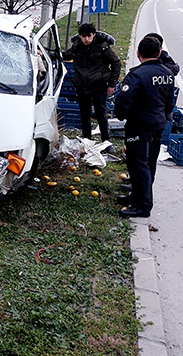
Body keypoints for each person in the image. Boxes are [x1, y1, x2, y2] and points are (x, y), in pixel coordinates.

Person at [113, 36, 175, 218]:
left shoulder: (137, 75)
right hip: (158, 124)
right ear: (160, 53)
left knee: (138, 164)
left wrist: (121, 115)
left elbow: (123, 100)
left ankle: (143, 205)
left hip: (139, 125)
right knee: (149, 162)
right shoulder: (168, 74)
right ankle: (138, 196)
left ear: (139, 54)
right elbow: (170, 102)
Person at [63, 23, 121, 143]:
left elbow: (116, 63)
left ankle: (106, 140)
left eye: (89, 36)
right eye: (84, 36)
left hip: (99, 84)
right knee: (85, 115)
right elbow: (64, 55)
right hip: (82, 85)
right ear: (80, 36)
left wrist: (111, 84)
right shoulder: (77, 46)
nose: (87, 39)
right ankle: (86, 141)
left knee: (101, 114)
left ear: (94, 35)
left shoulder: (102, 46)